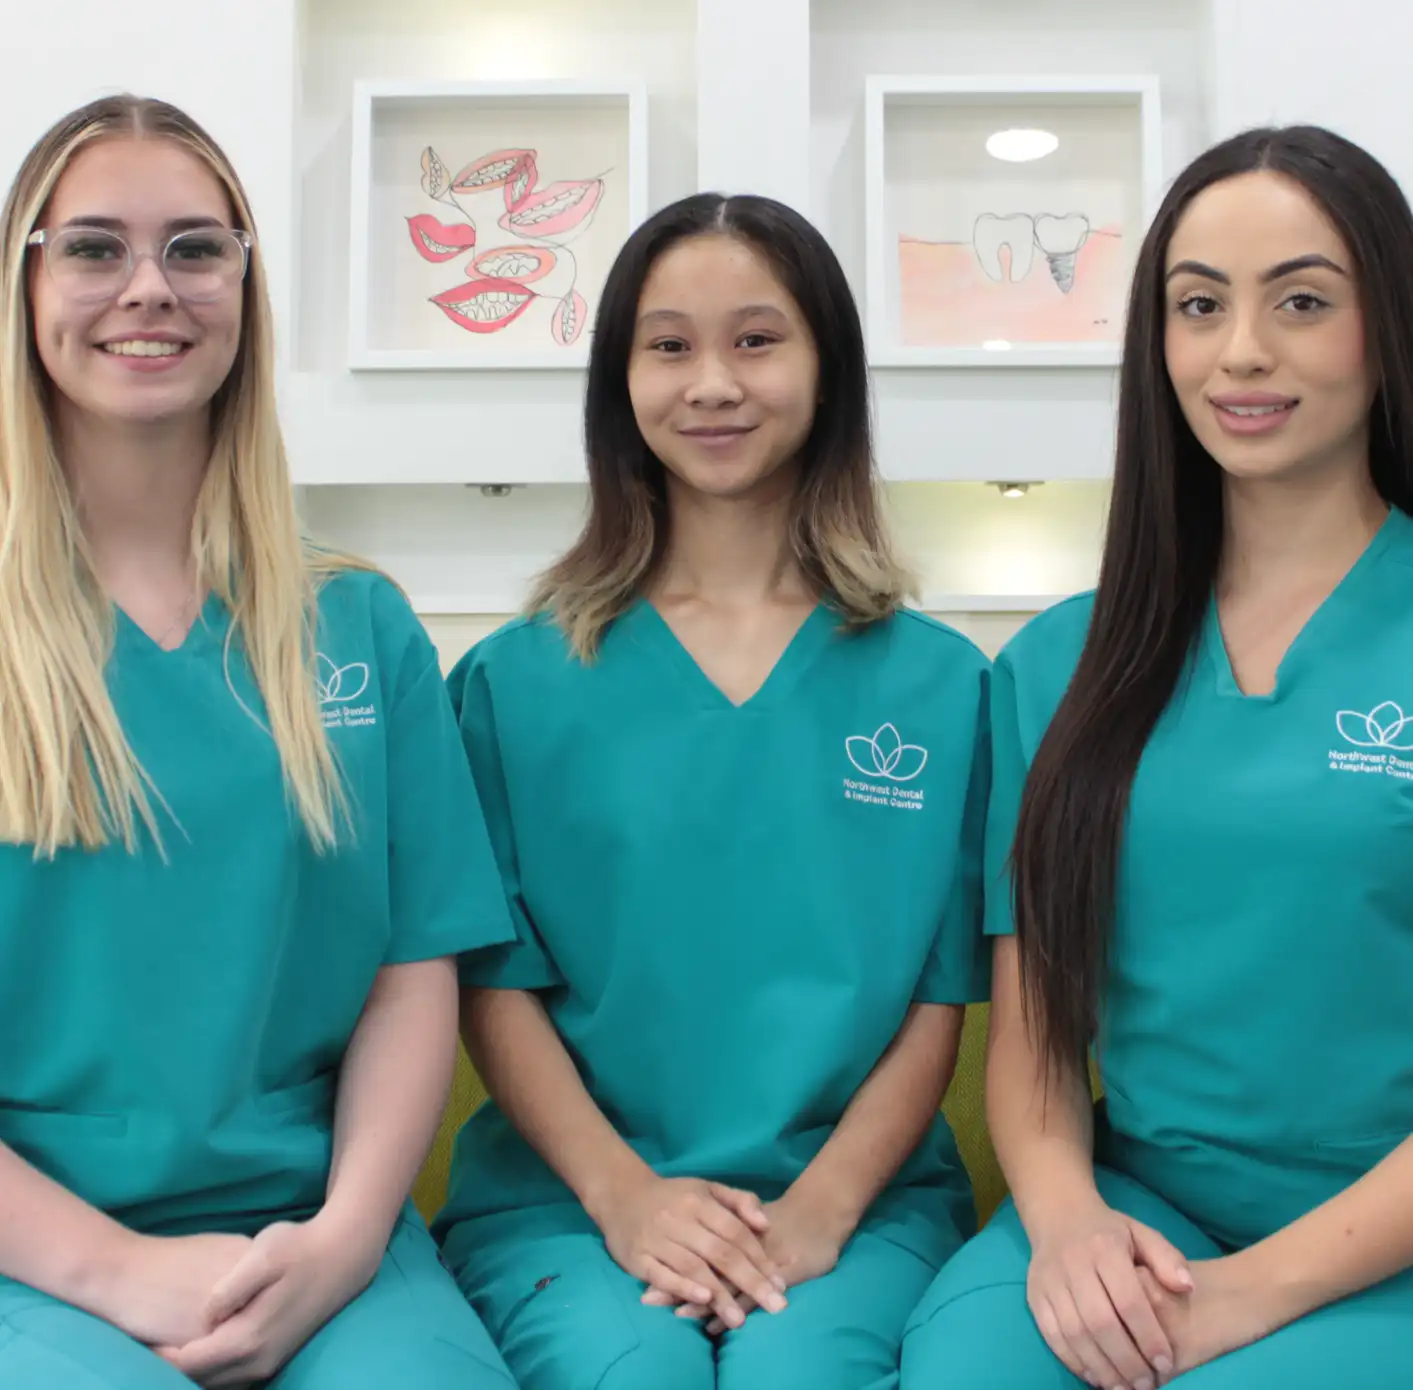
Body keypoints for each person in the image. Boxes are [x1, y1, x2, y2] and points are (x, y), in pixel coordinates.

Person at [0, 94, 519, 1389]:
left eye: (194, 247)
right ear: (24, 280)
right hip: (30, 1245)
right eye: (93, 246)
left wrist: (344, 1242)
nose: (149, 289)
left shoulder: (357, 622)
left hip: (317, 1227)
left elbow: (412, 972)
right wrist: (113, 1269)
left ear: (244, 281)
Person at [431, 192, 991, 1390]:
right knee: (631, 1366)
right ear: (619, 383)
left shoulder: (946, 689)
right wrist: (626, 1196)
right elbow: (493, 983)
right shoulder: (513, 682)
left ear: (828, 367)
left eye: (756, 338)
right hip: (572, 1206)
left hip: (857, 1204)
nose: (713, 383)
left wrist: (828, 1207)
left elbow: (939, 1000)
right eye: (669, 345)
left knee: (804, 1371)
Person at [899, 124, 1413, 1390]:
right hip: (1140, 1209)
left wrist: (1248, 1296)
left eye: (1302, 301)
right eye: (1199, 305)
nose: (1242, 350)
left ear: (1388, 322)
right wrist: (1069, 1223)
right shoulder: (1058, 664)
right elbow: (1036, 1023)